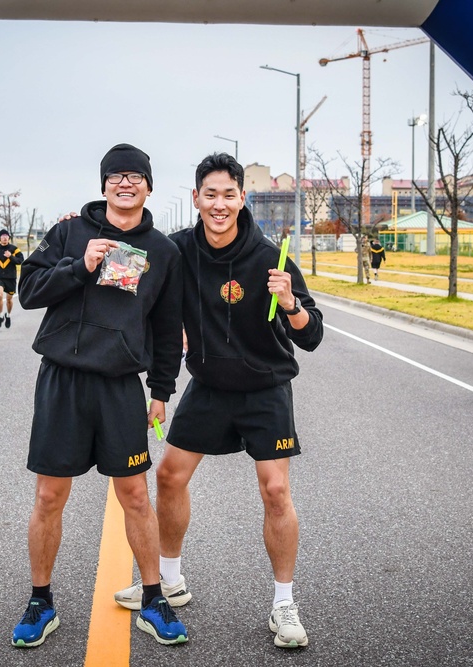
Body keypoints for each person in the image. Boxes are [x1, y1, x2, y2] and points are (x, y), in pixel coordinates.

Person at [114, 153, 324, 649]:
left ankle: (284, 603)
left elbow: (312, 336)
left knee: (275, 491)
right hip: (209, 387)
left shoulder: (271, 257)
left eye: (229, 194)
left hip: (265, 387)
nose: (219, 203)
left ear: (242, 198)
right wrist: (81, 233)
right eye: (210, 194)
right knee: (169, 475)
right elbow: (124, 266)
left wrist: (291, 303)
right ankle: (170, 578)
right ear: (195, 199)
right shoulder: (178, 249)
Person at [12, 143, 187, 648]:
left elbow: (166, 326)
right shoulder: (70, 232)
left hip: (119, 388)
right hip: (62, 381)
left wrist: (160, 391)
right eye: (116, 176)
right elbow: (28, 292)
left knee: (135, 494)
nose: (125, 183)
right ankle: (40, 601)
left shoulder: (164, 251)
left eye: (135, 176)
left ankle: (154, 599)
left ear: (148, 186)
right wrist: (79, 265)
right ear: (104, 184)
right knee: (49, 495)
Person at [0, 229, 24, 328]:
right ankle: (0, 316)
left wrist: (10, 256)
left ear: (9, 237)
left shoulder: (14, 249)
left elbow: (20, 261)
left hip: (11, 277)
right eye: (2, 236)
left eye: (6, 236)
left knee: (9, 299)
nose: (5, 237)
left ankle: (8, 315)